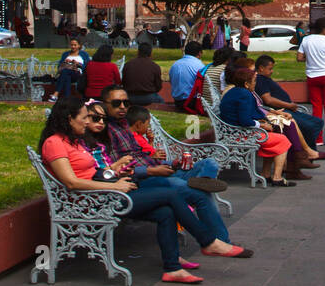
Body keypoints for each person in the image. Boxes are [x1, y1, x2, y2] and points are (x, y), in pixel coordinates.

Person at [40, 95, 203, 283]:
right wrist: (116, 186)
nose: (86, 122)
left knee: (165, 212)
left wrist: (113, 170)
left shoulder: (73, 141)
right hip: (91, 203)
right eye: (84, 117)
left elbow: (92, 172)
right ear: (69, 118)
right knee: (170, 193)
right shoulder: (54, 143)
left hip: (104, 194)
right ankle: (206, 239)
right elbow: (71, 183)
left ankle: (173, 268)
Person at [95, 90, 250, 255]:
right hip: (145, 178)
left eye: (126, 103)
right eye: (116, 103)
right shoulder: (106, 130)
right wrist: (151, 170)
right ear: (104, 104)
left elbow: (142, 155)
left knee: (208, 163)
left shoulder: (125, 126)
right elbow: (117, 167)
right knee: (199, 193)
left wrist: (170, 163)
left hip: (161, 169)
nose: (122, 107)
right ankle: (219, 242)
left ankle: (205, 179)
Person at [219, 66, 295, 186]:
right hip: (239, 134)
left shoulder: (235, 91)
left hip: (232, 131)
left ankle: (266, 174)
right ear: (246, 84)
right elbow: (245, 121)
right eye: (254, 81)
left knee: (273, 137)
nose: (256, 83)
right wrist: (263, 125)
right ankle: (277, 177)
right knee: (283, 140)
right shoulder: (245, 95)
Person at [253, 55, 325, 154]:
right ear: (261, 68)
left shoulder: (265, 79)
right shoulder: (261, 79)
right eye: (270, 69)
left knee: (317, 122)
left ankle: (308, 150)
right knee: (310, 126)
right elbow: (268, 100)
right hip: (281, 110)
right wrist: (289, 105)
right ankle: (308, 153)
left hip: (288, 109)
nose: (272, 71)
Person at [297, 16, 325, 145]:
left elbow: (299, 58)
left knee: (316, 107)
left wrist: (310, 58)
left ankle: (318, 137)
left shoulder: (306, 40)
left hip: (312, 76)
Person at [122, 41, 164, 106]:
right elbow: (158, 86)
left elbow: (124, 82)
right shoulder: (155, 66)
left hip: (130, 96)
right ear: (150, 53)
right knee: (161, 102)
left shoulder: (128, 64)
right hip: (148, 96)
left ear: (138, 52)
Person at [169, 40, 207, 110]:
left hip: (177, 101)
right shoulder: (200, 65)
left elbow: (171, 81)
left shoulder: (175, 64)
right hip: (193, 102)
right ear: (199, 53)